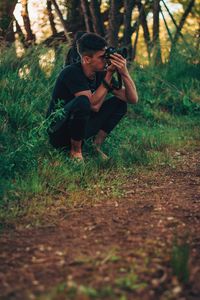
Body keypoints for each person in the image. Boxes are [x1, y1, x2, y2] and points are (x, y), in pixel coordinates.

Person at [46, 32, 138, 160]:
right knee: (83, 102)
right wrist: (109, 74)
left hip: (79, 127)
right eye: (101, 57)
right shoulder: (71, 72)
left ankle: (95, 147)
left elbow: (132, 99)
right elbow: (92, 105)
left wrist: (124, 72)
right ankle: (75, 152)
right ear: (87, 59)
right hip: (59, 131)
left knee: (120, 103)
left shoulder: (100, 73)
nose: (106, 60)